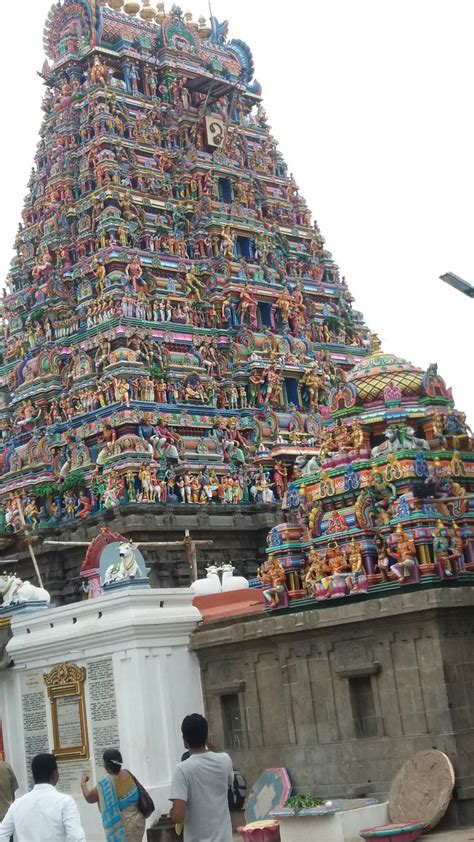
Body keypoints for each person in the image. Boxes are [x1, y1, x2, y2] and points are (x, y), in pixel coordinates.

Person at [170, 714, 233, 842]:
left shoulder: (182, 770)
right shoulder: (225, 761)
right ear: (206, 737)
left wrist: (172, 813)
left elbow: (179, 816)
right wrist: (207, 742)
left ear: (184, 740)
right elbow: (219, 754)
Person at [0, 753, 85, 841]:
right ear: (54, 774)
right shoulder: (65, 802)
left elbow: (2, 834)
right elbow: (76, 837)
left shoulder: (17, 804)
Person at [81, 748, 145, 842]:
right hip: (138, 823)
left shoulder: (105, 783)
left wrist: (83, 784)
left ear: (106, 765)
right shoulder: (128, 774)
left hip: (123, 827)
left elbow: (89, 798)